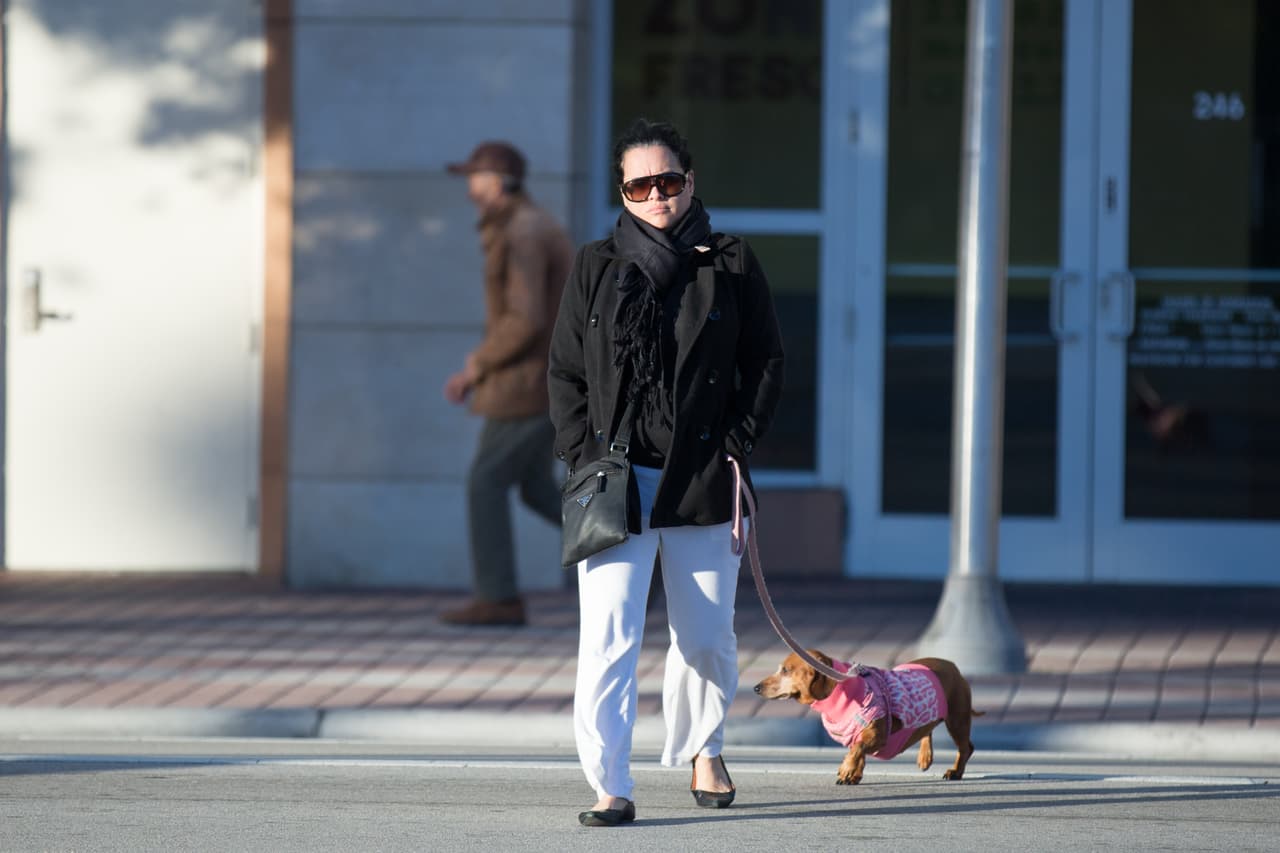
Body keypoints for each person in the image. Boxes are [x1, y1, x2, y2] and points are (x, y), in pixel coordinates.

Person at [547, 119, 785, 826]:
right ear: (622, 191)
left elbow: (765, 362)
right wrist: (581, 455)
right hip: (615, 482)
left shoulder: (730, 261)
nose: (657, 195)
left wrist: (736, 441)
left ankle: (704, 748)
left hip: (702, 476)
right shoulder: (596, 264)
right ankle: (610, 784)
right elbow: (564, 371)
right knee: (608, 639)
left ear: (690, 181)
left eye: (669, 181)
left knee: (706, 635)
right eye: (640, 185)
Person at [440, 141, 573, 627]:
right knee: (537, 488)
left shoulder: (522, 232)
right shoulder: (525, 225)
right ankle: (635, 552)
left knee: (485, 482)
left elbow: (525, 319)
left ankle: (498, 598)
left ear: (498, 182)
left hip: (527, 385)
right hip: (537, 380)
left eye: (475, 179)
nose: (470, 190)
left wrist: (476, 367)